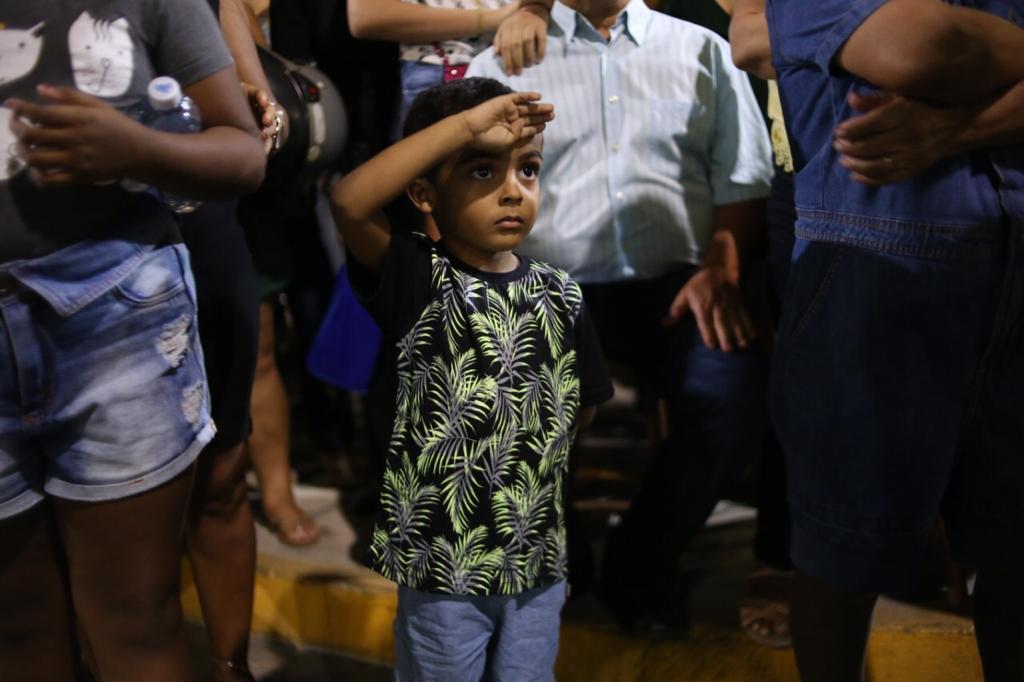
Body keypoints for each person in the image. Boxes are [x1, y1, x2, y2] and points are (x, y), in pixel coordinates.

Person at [468, 0, 774, 634]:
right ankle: (563, 554)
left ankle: (644, 556)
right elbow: (463, 193)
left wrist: (723, 269)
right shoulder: (501, 65)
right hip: (546, 289)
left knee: (730, 396)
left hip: (677, 283)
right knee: (500, 403)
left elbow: (742, 175)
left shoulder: (700, 49)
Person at [0, 1, 266, 680]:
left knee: (133, 621)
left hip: (115, 313)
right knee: (17, 621)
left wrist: (138, 149)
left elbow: (241, 149)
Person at [765, 1, 1024, 680]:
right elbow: (929, 49)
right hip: (870, 280)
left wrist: (953, 129)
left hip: (1009, 268)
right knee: (841, 552)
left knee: (1017, 547)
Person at [330, 77, 612, 679]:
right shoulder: (417, 278)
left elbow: (580, 409)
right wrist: (465, 125)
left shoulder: (562, 295)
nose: (513, 192)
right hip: (444, 566)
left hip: (537, 560)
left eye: (528, 171)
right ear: (425, 193)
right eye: (482, 172)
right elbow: (350, 201)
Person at [181, 0, 288, 678]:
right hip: (71, 244)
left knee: (221, 471)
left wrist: (254, 108)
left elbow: (255, 123)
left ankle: (230, 667)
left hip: (199, 218)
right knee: (109, 498)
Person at [346, 0, 555, 135]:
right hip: (438, 71)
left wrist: (535, 10)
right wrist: (496, 18)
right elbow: (366, 15)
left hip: (528, 62)